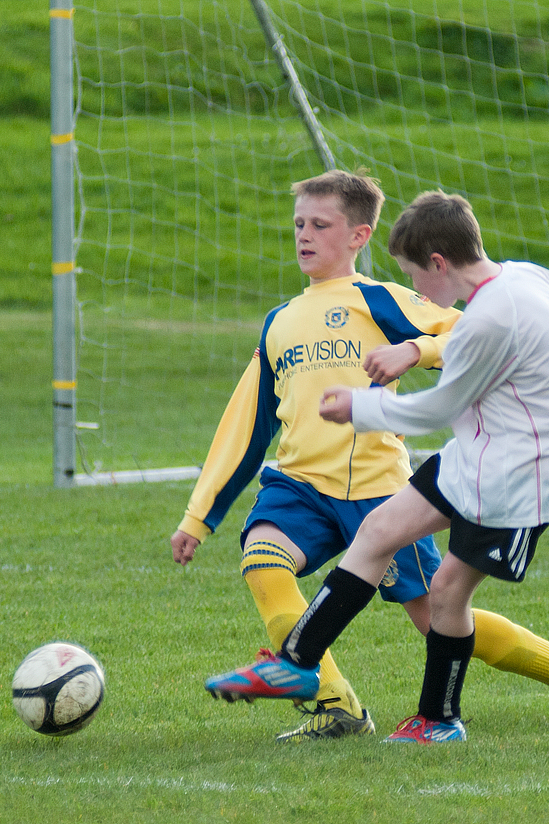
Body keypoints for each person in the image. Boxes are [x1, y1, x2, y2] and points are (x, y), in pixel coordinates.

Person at [204, 190, 549, 744]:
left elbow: (435, 408)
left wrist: (357, 405)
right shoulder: (523, 276)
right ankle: (297, 663)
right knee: (378, 532)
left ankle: (439, 719)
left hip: (525, 475)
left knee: (448, 593)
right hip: (478, 453)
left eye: (415, 275)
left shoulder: (489, 319)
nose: (419, 292)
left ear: (438, 262)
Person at [171, 172, 461, 741]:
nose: (304, 235)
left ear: (360, 235)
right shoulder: (281, 321)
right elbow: (246, 425)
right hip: (300, 485)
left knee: (440, 620)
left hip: (377, 490)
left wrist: (416, 348)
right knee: (262, 559)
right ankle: (336, 706)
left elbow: (475, 340)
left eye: (320, 225)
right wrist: (198, 516)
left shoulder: (378, 299)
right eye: (299, 224)